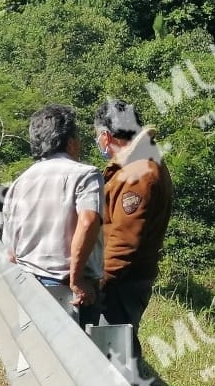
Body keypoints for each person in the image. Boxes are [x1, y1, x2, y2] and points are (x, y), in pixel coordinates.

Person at [2, 104, 103, 326]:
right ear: (70, 141)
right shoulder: (85, 175)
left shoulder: (19, 183)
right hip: (71, 292)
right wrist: (77, 280)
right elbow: (88, 222)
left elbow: (11, 253)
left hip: (30, 287)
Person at [94, 99, 174, 362]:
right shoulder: (142, 162)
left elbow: (124, 242)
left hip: (121, 282)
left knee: (116, 356)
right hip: (124, 279)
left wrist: (98, 283)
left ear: (106, 136)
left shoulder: (138, 173)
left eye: (98, 137)